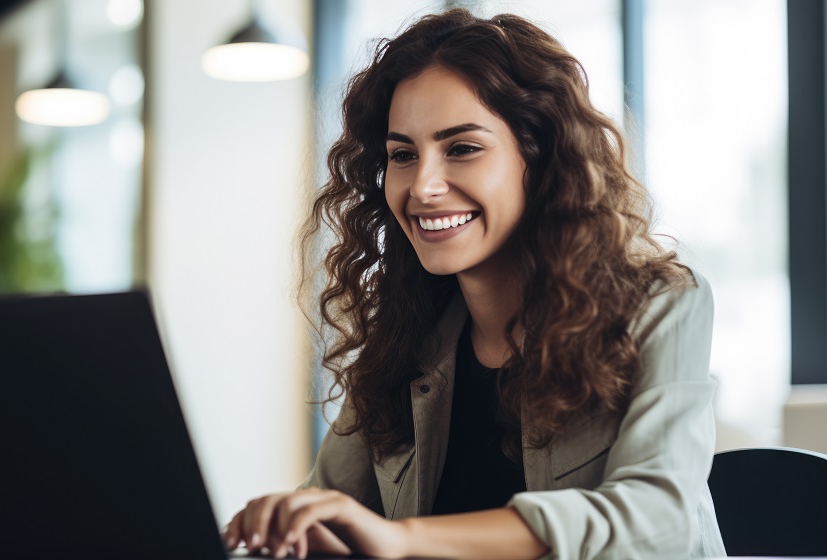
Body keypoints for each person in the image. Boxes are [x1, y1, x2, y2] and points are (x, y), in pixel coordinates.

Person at [223, 9, 725, 560]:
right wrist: (287, 527)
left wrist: (402, 539)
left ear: (540, 157)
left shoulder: (662, 304)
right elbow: (331, 509)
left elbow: (657, 519)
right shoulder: (406, 340)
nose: (423, 186)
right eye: (402, 156)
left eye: (461, 148)